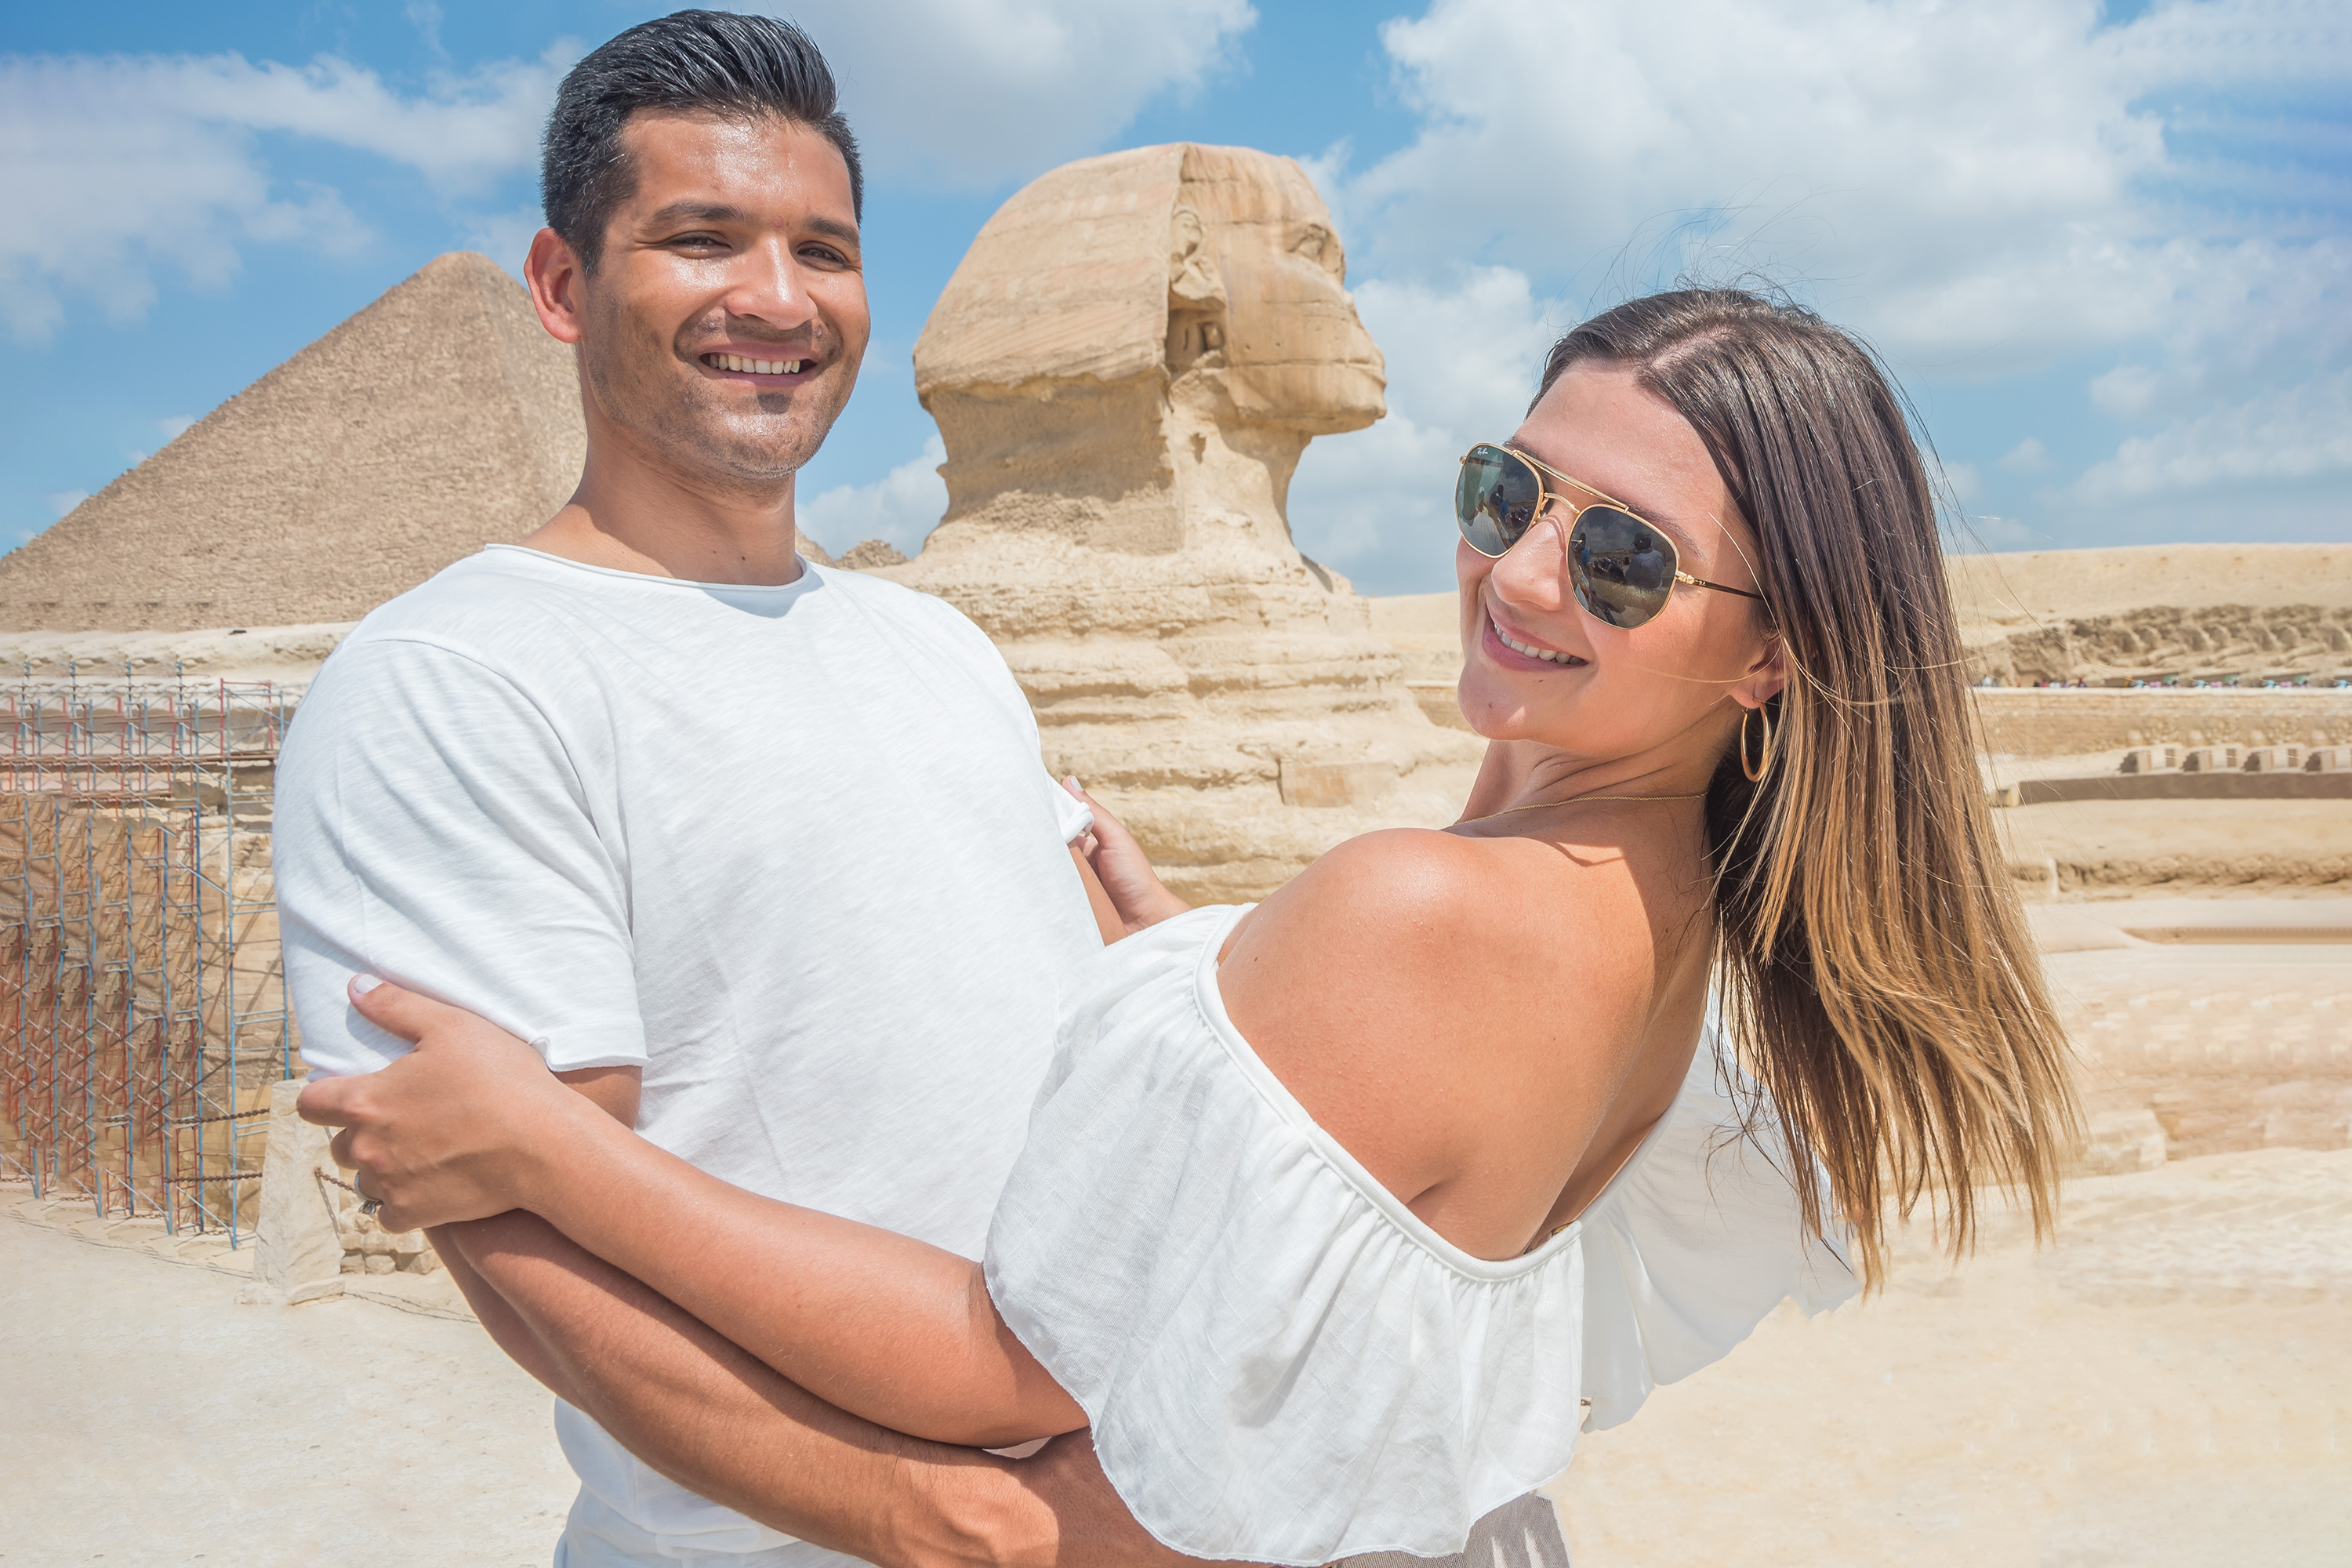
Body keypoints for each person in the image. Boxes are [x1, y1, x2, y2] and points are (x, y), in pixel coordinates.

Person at [303, 289, 2085, 1564]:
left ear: (1773, 655)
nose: (1523, 572)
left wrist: (545, 1143)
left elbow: (1008, 1367)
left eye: (1626, 562)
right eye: (1506, 491)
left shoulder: (1428, 909)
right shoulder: (1672, 906)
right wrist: (1194, 957)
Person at [274, 13, 1189, 1568]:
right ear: (560, 287)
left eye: (823, 251)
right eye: (701, 240)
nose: (776, 299)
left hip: (1130, 1498)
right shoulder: (455, 679)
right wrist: (945, 1519)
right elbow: (527, 1243)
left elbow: (1092, 1018)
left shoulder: (940, 643)